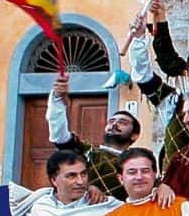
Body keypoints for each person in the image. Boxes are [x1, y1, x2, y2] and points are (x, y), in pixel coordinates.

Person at [47, 69, 142, 200]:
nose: (114, 124)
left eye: (123, 122)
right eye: (111, 121)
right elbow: (60, 136)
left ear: (135, 135)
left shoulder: (138, 163)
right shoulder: (87, 152)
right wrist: (57, 99)